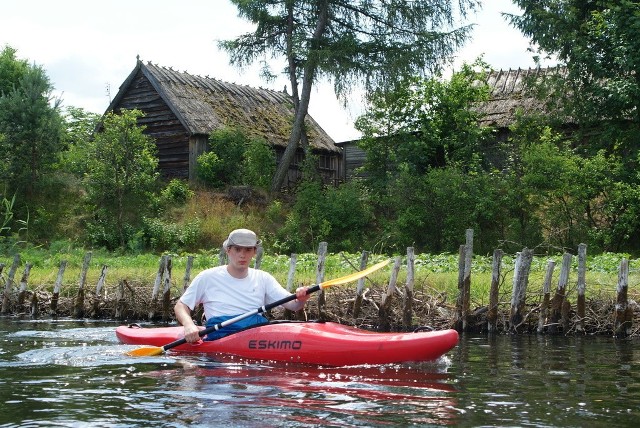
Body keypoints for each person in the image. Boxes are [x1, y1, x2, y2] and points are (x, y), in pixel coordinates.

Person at [174, 228, 311, 342]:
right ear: (228, 250)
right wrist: (189, 325)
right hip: (220, 337)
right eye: (237, 249)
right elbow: (181, 306)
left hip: (255, 338)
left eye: (247, 250)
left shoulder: (263, 278)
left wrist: (301, 298)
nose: (242, 255)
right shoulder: (207, 277)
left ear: (254, 252)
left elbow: (294, 306)